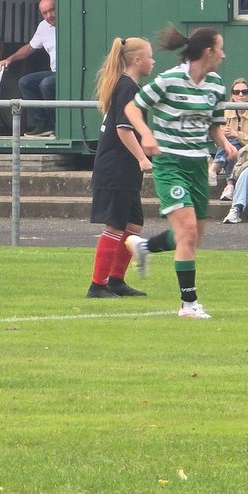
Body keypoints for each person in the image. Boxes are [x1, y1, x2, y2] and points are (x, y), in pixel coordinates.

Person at [123, 24, 234, 320]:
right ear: (208, 51)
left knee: (192, 236)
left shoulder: (216, 85)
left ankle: (144, 246)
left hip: (198, 163)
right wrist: (146, 134)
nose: (223, 55)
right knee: (186, 231)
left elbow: (213, 124)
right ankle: (188, 304)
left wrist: (224, 143)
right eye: (220, 48)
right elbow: (133, 109)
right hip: (169, 161)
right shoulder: (169, 80)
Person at [87, 36, 156, 299]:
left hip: (124, 169)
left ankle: (116, 281)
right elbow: (123, 129)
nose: (153, 61)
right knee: (115, 226)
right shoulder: (127, 87)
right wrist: (141, 157)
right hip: (115, 168)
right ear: (137, 60)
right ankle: (97, 285)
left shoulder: (128, 86)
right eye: (150, 56)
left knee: (133, 225)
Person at [0, 0, 56, 136]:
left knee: (46, 84)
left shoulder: (69, 20)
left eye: (52, 10)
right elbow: (29, 48)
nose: (49, 15)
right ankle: (43, 125)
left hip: (69, 72)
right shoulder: (43, 27)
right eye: (45, 13)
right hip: (54, 72)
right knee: (25, 82)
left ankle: (57, 125)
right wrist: (10, 59)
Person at [209, 78, 248, 200]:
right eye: (236, 92)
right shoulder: (226, 112)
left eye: (244, 92)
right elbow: (217, 142)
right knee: (230, 144)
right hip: (230, 152)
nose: (240, 94)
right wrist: (222, 136)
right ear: (232, 95)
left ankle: (215, 168)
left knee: (232, 142)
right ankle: (230, 185)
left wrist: (237, 134)